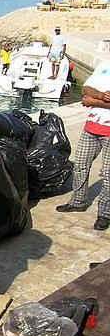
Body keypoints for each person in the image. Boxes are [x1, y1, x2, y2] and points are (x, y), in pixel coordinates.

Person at [56, 60, 110, 231]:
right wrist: (101, 96)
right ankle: (78, 201)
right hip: (92, 127)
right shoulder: (105, 65)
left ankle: (104, 214)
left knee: (109, 176)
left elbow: (87, 99)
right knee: (80, 165)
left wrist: (92, 101)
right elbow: (85, 90)